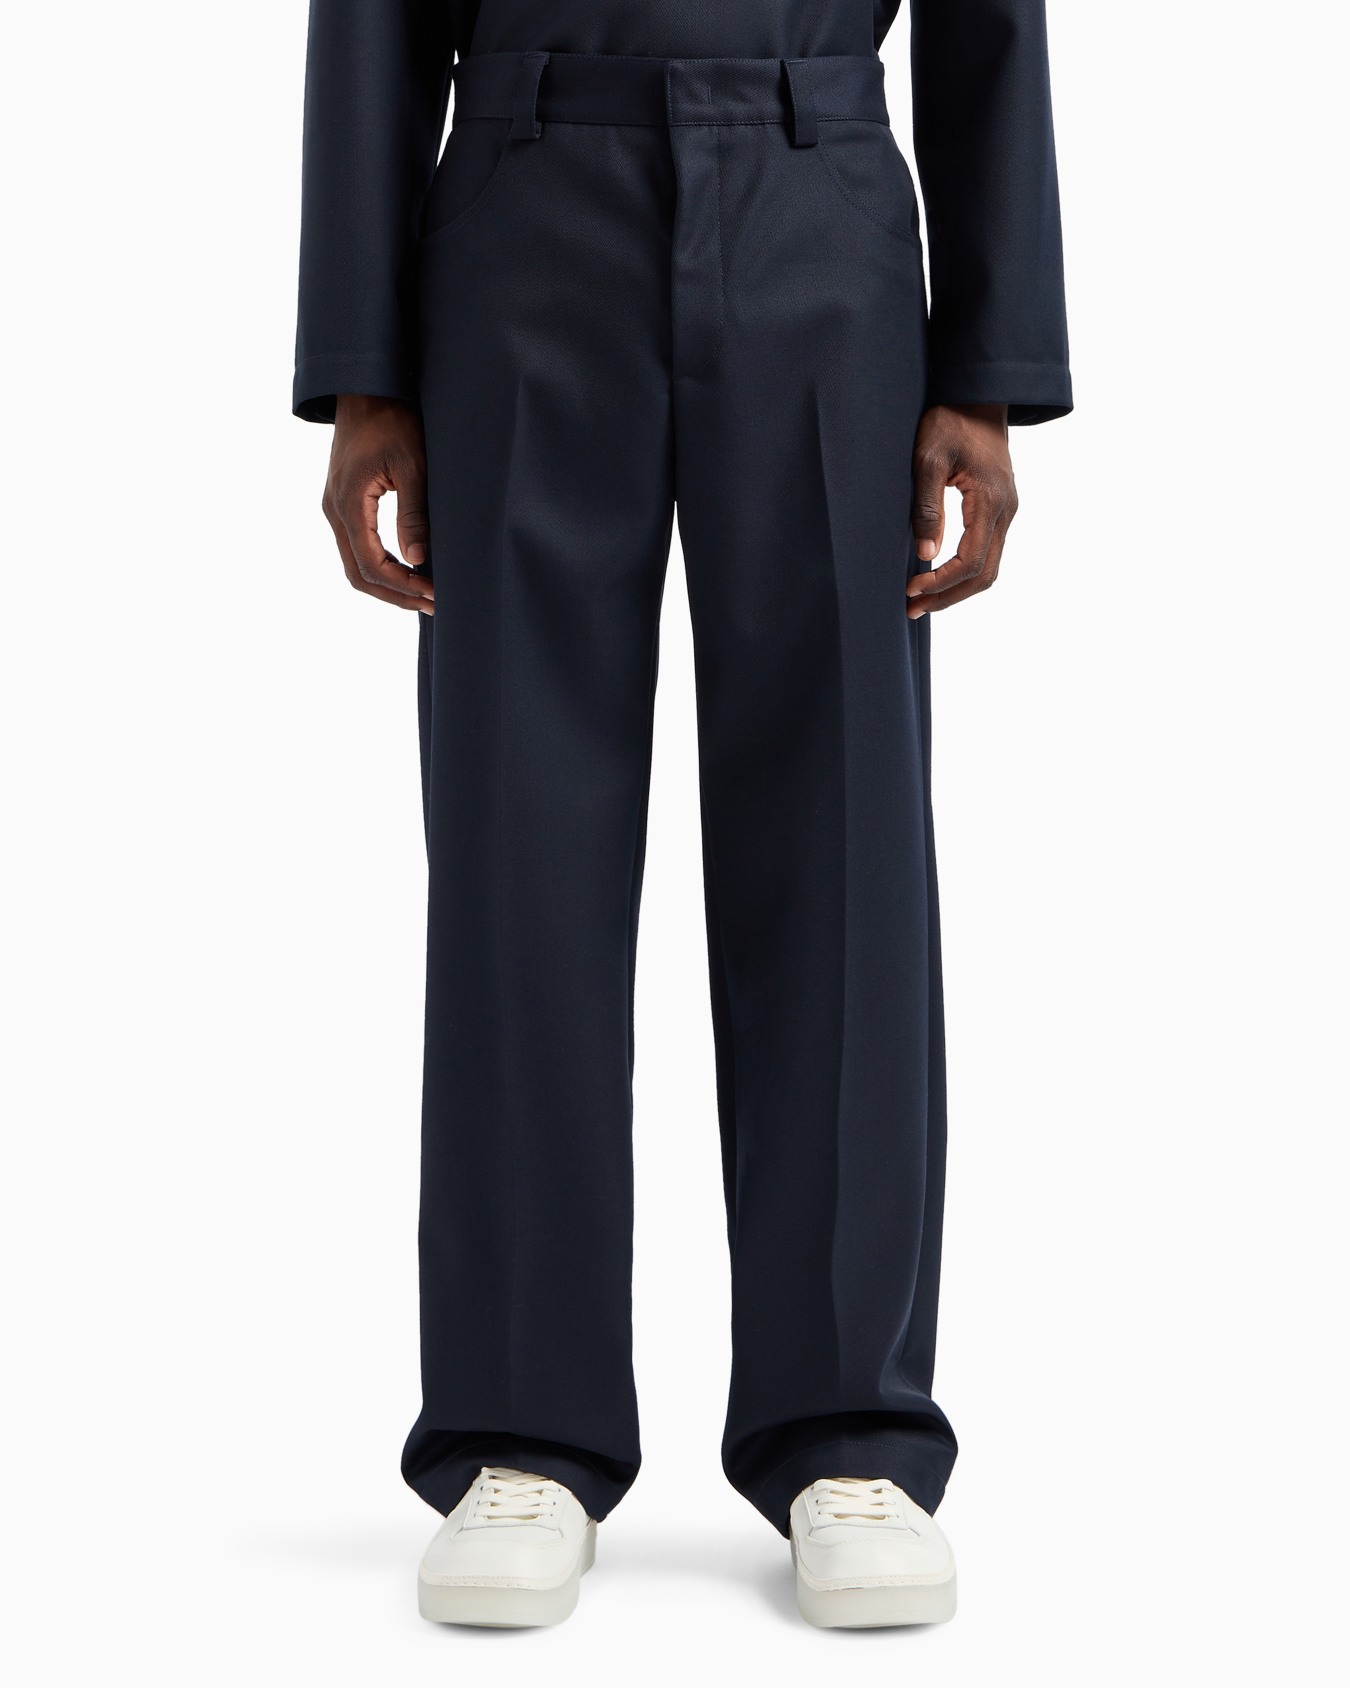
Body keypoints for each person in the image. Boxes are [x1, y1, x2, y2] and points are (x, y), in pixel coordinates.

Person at [293, 0, 1070, 1631]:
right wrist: (360, 366)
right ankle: (521, 1430)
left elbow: (989, 16)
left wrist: (992, 364)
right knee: (516, 851)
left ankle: (846, 1431)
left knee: (842, 849)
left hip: (817, 191)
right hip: (523, 200)